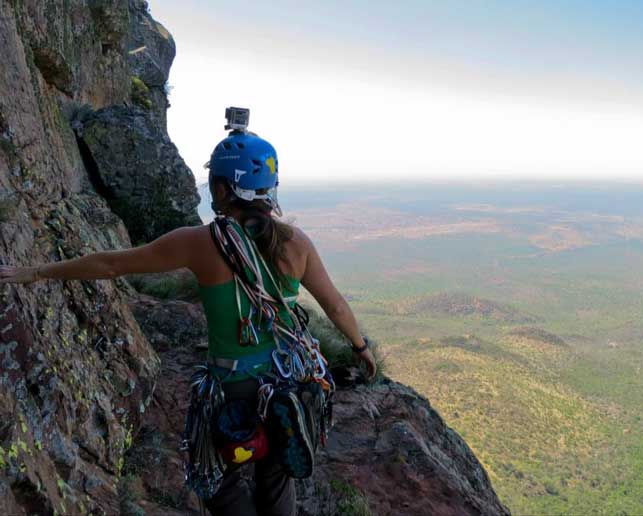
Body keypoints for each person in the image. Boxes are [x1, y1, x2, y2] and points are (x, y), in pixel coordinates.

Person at [0, 129, 377, 516]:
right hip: (288, 380)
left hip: (234, 386)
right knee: (277, 473)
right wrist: (361, 349)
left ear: (221, 186)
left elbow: (112, 264)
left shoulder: (201, 243)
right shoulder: (296, 243)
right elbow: (334, 306)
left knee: (219, 480)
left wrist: (37, 271)